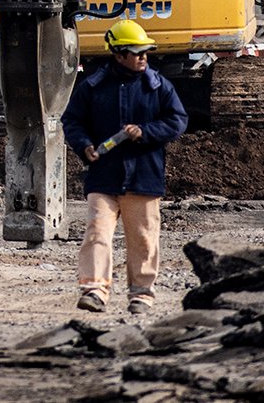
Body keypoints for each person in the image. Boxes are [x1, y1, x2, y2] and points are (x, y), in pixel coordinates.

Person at [62, 19, 189, 315]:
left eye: (145, 52)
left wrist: (145, 132)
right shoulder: (93, 87)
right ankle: (95, 290)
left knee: (144, 237)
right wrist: (84, 145)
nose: (143, 57)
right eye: (136, 52)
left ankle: (141, 295)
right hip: (104, 176)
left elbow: (177, 120)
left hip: (144, 176)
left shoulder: (157, 86)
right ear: (118, 55)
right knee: (97, 231)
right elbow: (73, 120)